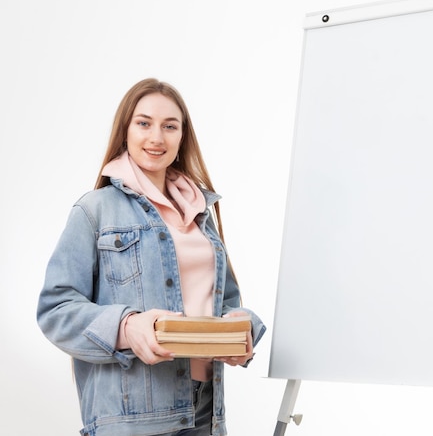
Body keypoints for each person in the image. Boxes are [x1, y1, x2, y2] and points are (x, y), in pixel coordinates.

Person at [37, 78, 265, 436]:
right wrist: (128, 327)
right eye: (144, 123)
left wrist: (242, 329)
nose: (156, 137)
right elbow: (55, 309)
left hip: (205, 410)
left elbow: (225, 303)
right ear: (125, 131)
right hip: (133, 417)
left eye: (169, 126)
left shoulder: (201, 213)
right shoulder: (94, 211)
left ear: (182, 136)